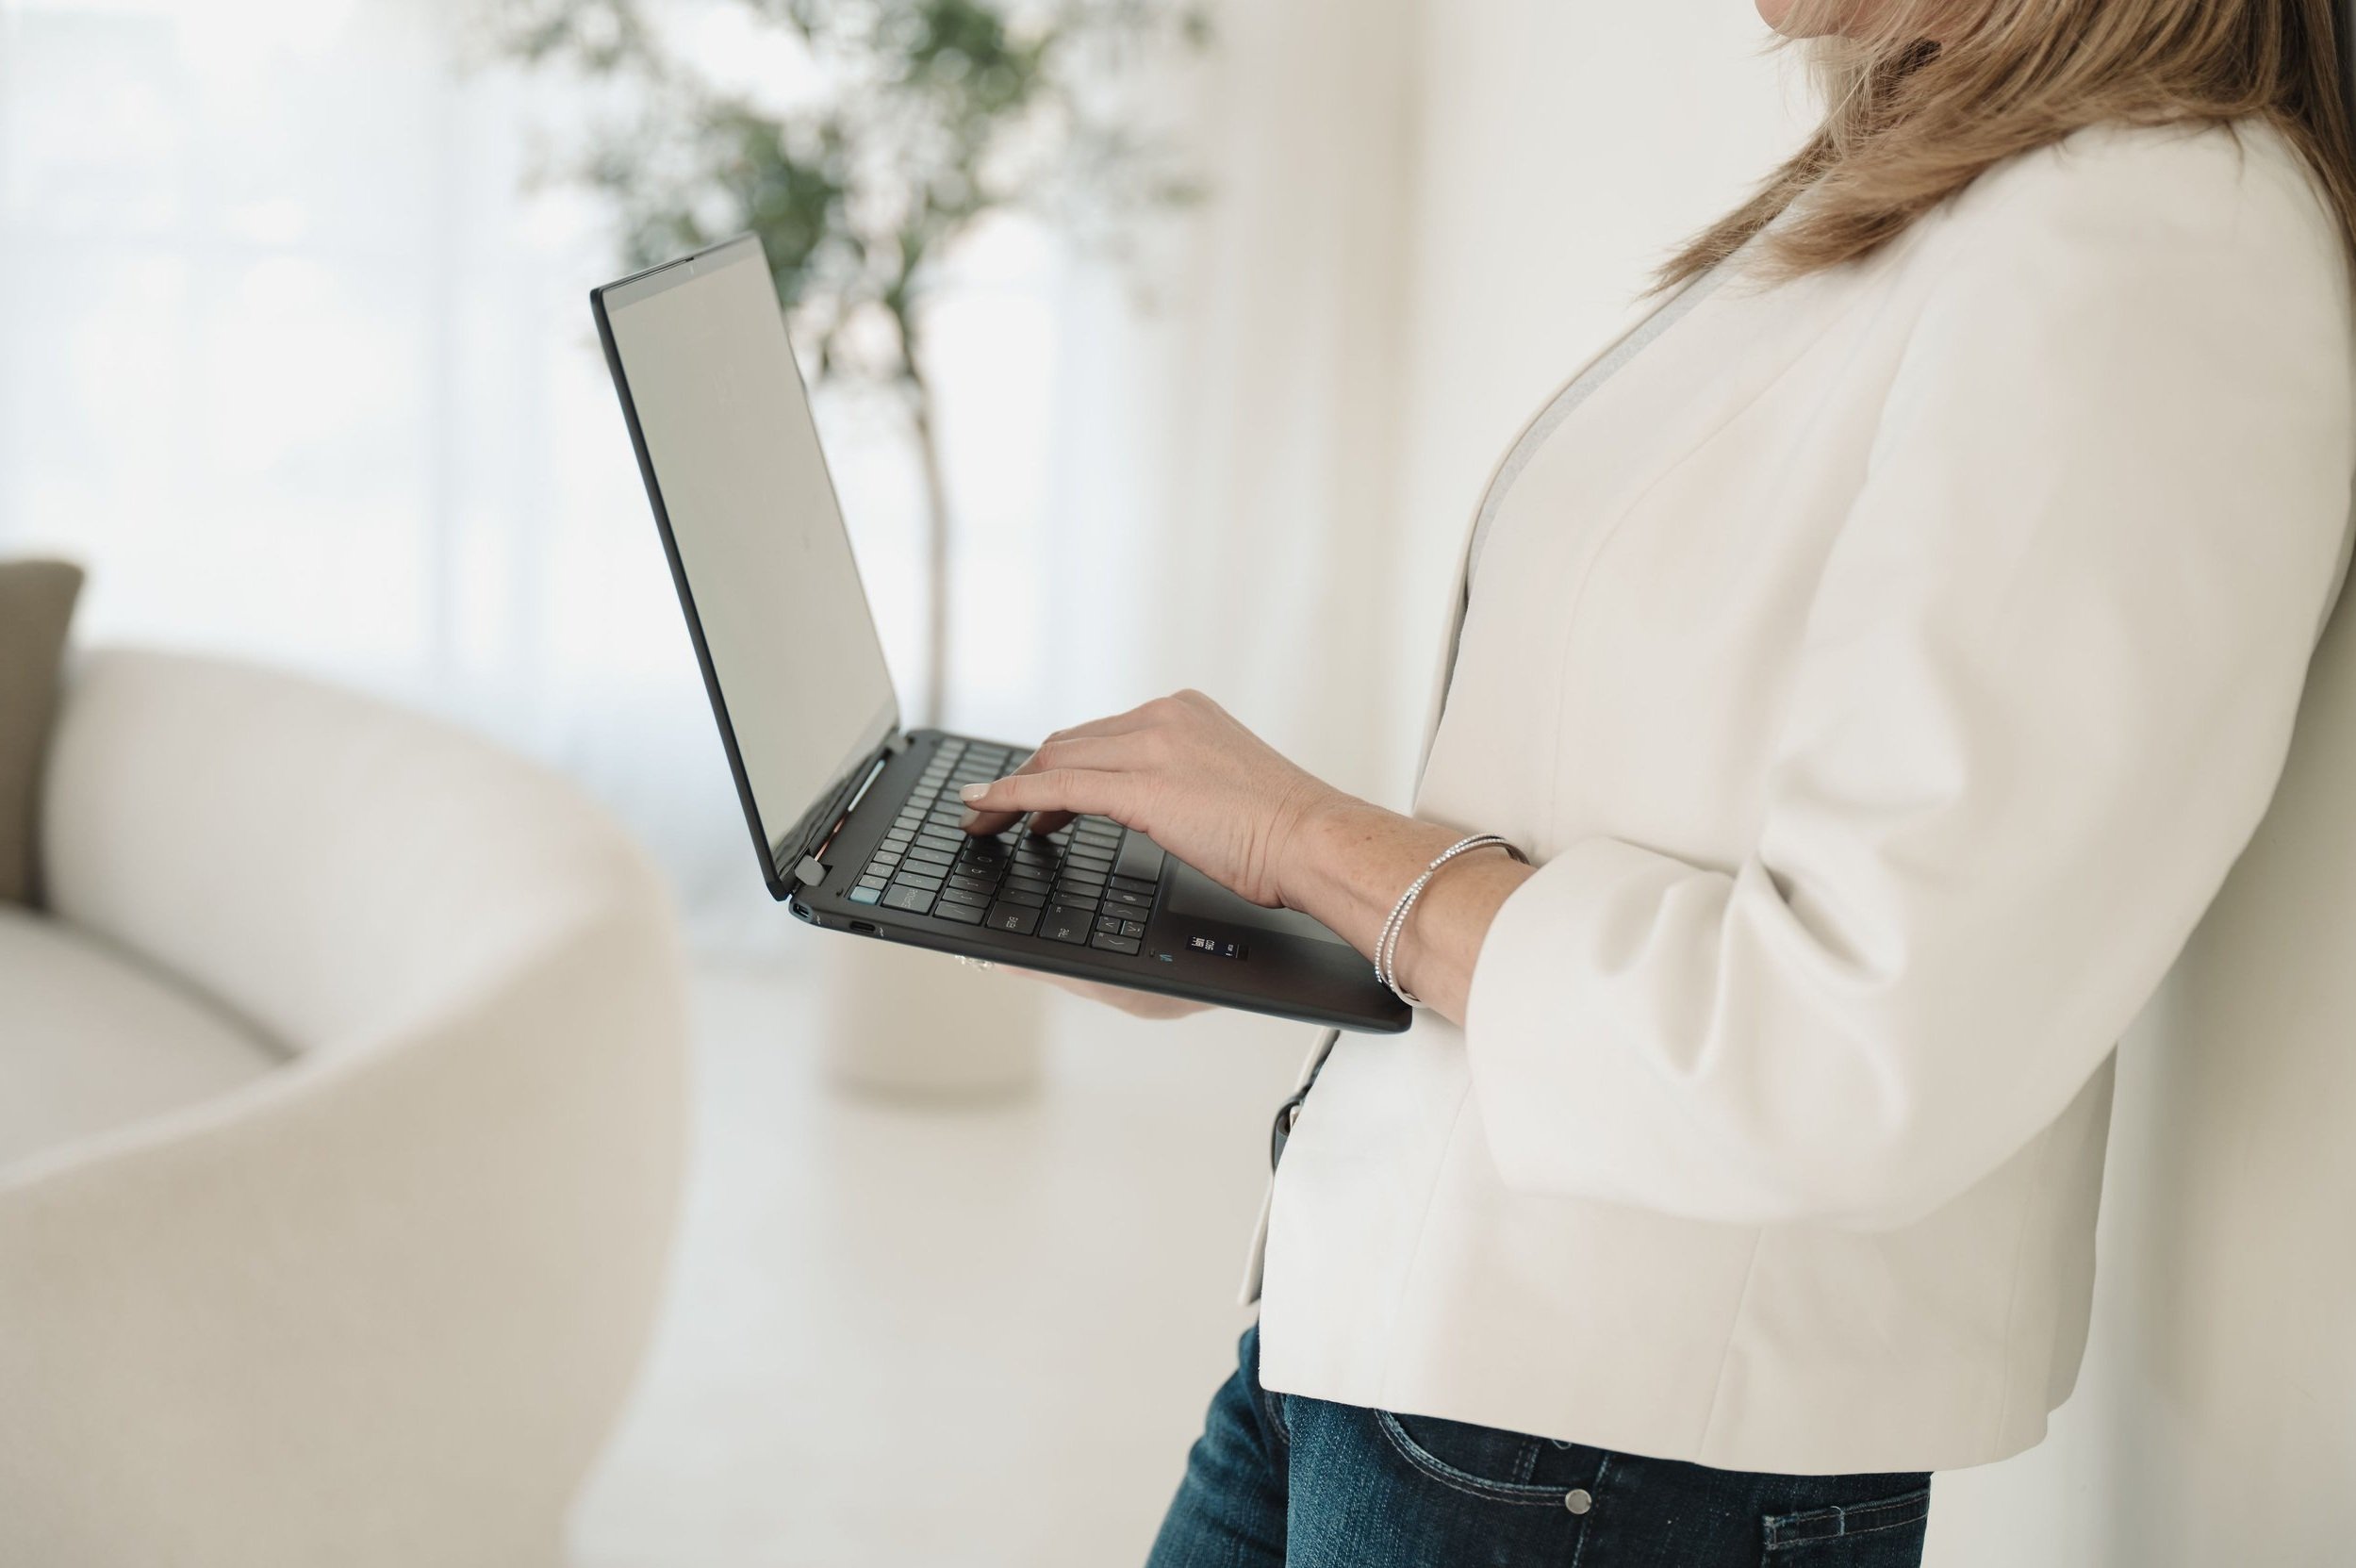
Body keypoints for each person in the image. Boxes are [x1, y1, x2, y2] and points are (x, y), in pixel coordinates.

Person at [957, 1, 2356, 1562]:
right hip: (1401, 1348)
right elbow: (1650, 804)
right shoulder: (1945, 184)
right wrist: (1272, 904)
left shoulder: (2154, 252)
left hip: (1601, 1463)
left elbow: (1849, 1049)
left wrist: (1313, 837)